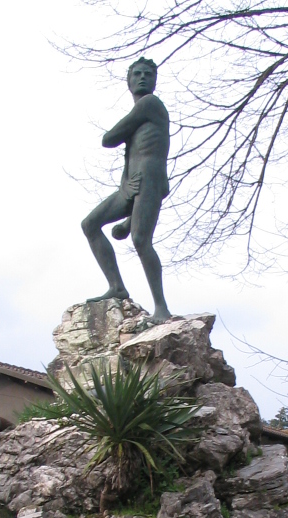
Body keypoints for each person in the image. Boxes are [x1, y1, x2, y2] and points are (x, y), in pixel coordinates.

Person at [81, 57, 172, 323]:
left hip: (149, 179)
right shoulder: (142, 116)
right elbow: (130, 155)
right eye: (137, 74)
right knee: (90, 224)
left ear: (155, 81)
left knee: (141, 240)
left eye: (148, 74)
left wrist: (131, 217)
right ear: (128, 81)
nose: (142, 78)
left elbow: (109, 138)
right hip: (132, 183)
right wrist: (125, 192)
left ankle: (161, 308)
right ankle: (117, 287)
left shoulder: (149, 104)